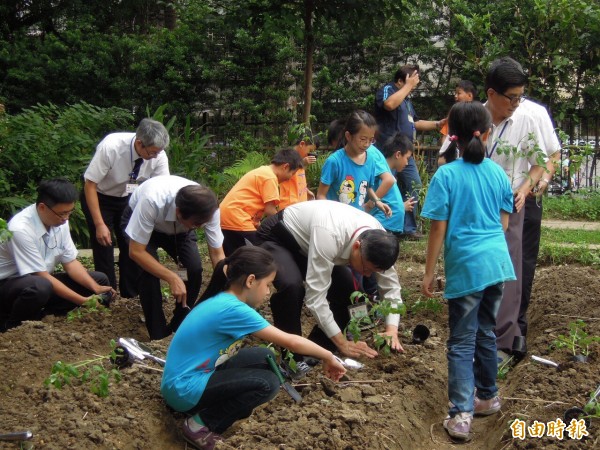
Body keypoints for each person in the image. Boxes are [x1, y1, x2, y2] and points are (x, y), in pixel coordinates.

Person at [161, 246, 346, 450]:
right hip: (183, 389)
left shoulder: (224, 299)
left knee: (263, 355)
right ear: (250, 281)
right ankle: (200, 424)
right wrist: (328, 355)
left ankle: (214, 405)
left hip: (190, 376)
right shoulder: (233, 310)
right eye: (267, 285)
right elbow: (291, 342)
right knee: (268, 383)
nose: (268, 292)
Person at [421, 102, 516, 440]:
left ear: (451, 136)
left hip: (466, 267)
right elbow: (503, 224)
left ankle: (461, 413)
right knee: (486, 331)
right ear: (487, 133)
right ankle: (488, 396)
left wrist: (429, 273)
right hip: (497, 265)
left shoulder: (446, 175)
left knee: (461, 341)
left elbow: (437, 230)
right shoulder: (498, 174)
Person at [256, 200, 404, 360]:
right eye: (366, 268)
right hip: (280, 237)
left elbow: (391, 289)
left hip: (313, 244)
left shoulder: (382, 244)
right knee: (291, 286)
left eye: (373, 271)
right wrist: (342, 343)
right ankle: (292, 357)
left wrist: (391, 330)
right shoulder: (330, 235)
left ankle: (316, 350)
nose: (368, 275)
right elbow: (315, 298)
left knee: (350, 293)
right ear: (356, 246)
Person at [482, 57, 547, 363]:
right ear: (492, 93)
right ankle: (475, 336)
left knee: (509, 271)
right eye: (512, 97)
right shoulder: (473, 118)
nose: (517, 104)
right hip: (478, 204)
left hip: (511, 203)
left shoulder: (526, 119)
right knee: (478, 268)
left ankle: (503, 342)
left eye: (520, 96)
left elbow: (539, 164)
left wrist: (524, 188)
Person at [0, 179, 115, 331]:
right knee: (40, 287)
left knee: (99, 279)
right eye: (62, 214)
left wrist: (95, 288)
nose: (66, 218)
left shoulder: (60, 221)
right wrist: (83, 301)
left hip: (40, 282)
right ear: (42, 208)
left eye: (69, 212)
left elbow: (70, 262)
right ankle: (12, 325)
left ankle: (44, 315)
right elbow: (41, 276)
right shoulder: (20, 229)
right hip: (9, 285)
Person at [123, 175, 224, 340]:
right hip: (144, 221)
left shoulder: (208, 211)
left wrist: (227, 283)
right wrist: (172, 277)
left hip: (180, 229)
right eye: (195, 225)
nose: (198, 229)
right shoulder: (152, 200)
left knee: (193, 268)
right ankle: (158, 334)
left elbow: (217, 253)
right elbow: (136, 251)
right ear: (178, 212)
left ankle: (180, 325)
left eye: (201, 225)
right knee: (148, 273)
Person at [82, 118, 170, 298]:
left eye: (158, 153)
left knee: (130, 243)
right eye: (152, 152)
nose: (155, 156)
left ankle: (130, 294)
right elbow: (90, 184)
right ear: (139, 143)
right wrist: (100, 224)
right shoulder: (112, 147)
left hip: (129, 198)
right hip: (100, 196)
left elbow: (161, 187)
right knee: (104, 245)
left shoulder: (158, 155)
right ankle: (108, 294)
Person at [374, 64, 446, 240]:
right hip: (388, 152)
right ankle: (383, 226)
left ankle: (408, 228)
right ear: (400, 80)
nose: (415, 85)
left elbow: (416, 122)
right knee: (387, 186)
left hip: (405, 152)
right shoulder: (388, 90)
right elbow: (389, 104)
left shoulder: (406, 101)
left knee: (414, 185)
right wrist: (408, 86)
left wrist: (438, 124)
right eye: (413, 80)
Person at [517, 98, 561, 345]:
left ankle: (518, 325)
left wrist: (543, 181)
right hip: (495, 198)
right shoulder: (484, 113)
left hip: (529, 194)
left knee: (523, 259)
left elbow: (553, 153)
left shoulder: (535, 112)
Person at [219, 148, 303, 256]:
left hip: (227, 216)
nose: (291, 178)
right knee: (257, 255)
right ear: (285, 166)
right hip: (237, 218)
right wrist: (285, 227)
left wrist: (257, 224)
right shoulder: (270, 178)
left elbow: (252, 201)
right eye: (293, 173)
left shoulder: (263, 172)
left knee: (234, 256)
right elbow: (270, 211)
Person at [317, 110, 395, 215]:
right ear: (348, 136)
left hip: (357, 219)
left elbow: (366, 187)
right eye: (363, 139)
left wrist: (377, 202)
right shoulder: (334, 161)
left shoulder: (371, 159)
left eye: (371, 140)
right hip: (336, 220)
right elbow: (321, 195)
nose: (367, 144)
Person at [372, 133, 418, 236]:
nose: (407, 163)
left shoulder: (388, 172)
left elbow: (387, 200)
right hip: (383, 225)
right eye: (407, 158)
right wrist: (371, 204)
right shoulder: (383, 175)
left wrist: (401, 206)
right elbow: (375, 199)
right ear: (397, 155)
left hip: (389, 226)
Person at [278, 132, 319, 210]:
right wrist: (302, 163)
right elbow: (285, 176)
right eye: (310, 150)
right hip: (289, 206)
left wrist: (306, 191)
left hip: (299, 206)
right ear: (302, 144)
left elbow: (296, 180)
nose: (310, 154)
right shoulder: (288, 157)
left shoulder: (301, 159)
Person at [439, 80, 478, 157]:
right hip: (453, 156)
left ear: (470, 96)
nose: (455, 96)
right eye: (455, 93)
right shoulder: (453, 113)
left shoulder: (478, 114)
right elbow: (445, 136)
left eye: (458, 93)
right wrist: (446, 153)